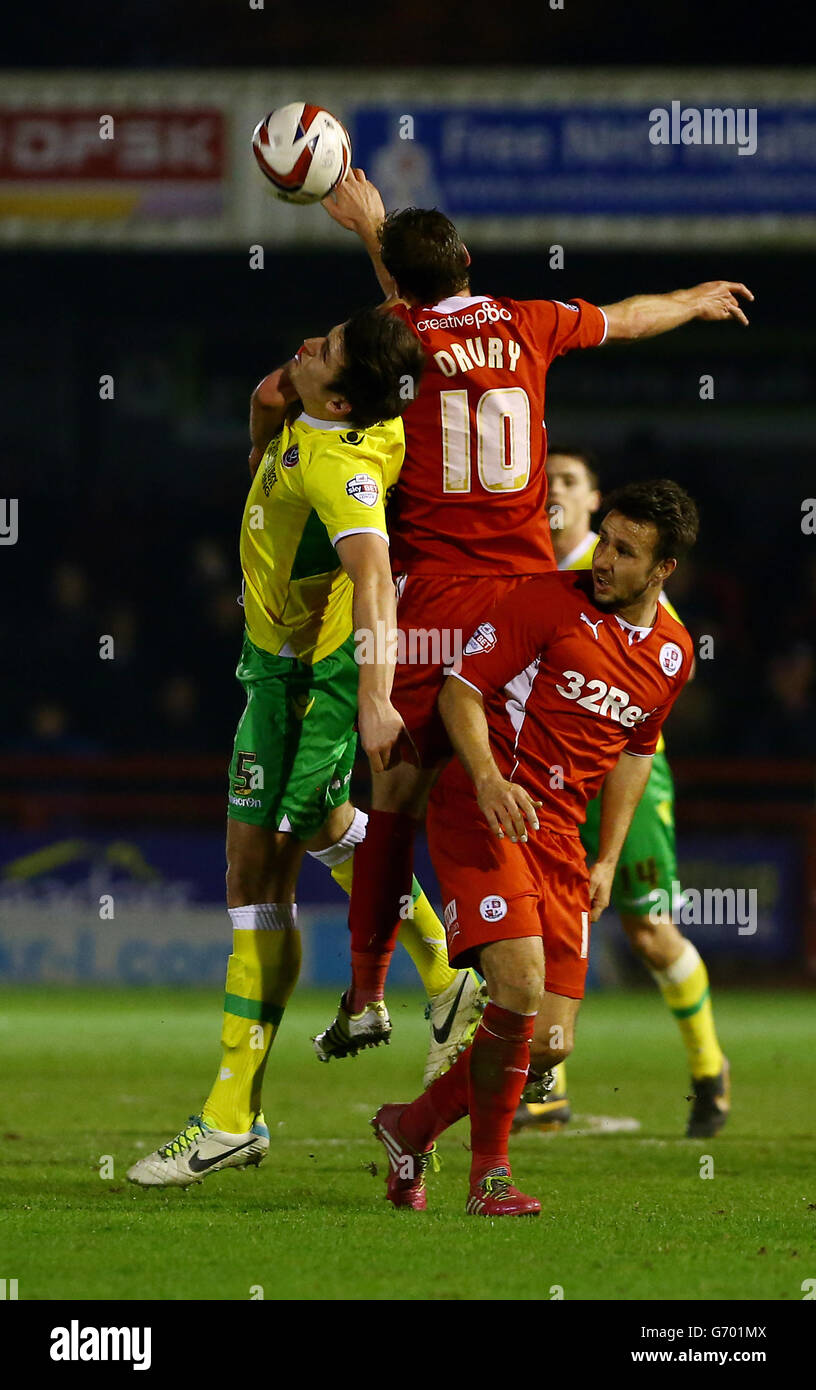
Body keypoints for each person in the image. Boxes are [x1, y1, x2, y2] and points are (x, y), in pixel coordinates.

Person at [316, 170, 752, 1054]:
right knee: (540, 781)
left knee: (395, 792)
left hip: (434, 596)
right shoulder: (529, 320)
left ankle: (371, 995)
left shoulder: (390, 334)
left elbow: (408, 322)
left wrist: (368, 229)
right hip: (527, 601)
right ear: (470, 261)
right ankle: (540, 1000)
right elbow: (628, 316)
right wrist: (692, 299)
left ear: (398, 282)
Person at [127, 307, 473, 1188]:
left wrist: (371, 700)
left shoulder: (341, 467)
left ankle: (230, 1115)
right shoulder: (323, 406)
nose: (311, 344)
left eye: (330, 352)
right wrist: (258, 436)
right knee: (316, 833)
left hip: (307, 677)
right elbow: (283, 382)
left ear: (347, 397)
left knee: (258, 871)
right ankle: (443, 976)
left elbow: (375, 583)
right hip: (268, 664)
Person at [372, 480, 698, 1215]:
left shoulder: (674, 656)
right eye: (606, 540)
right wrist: (485, 778)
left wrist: (608, 855)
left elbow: (634, 753)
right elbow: (459, 689)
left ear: (663, 571)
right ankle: (490, 1177)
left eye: (626, 552)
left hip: (560, 841)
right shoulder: (546, 602)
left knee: (548, 1042)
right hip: (487, 808)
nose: (603, 560)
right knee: (517, 986)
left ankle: (409, 1126)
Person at [513, 448, 728, 1138]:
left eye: (570, 483)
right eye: (547, 483)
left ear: (592, 499)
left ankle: (709, 1068)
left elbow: (645, 680)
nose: (555, 494)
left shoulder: (618, 571)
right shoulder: (529, 571)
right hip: (542, 771)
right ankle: (546, 1091)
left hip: (620, 770)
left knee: (646, 930)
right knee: (532, 923)